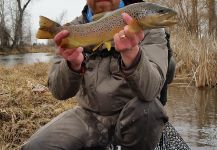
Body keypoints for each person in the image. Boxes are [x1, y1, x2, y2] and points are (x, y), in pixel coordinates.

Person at [22, 0, 172, 149]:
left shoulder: (149, 28)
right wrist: (71, 65)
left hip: (134, 117)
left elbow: (150, 92)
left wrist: (133, 56)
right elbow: (58, 91)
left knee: (149, 110)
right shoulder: (71, 30)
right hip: (89, 116)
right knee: (36, 146)